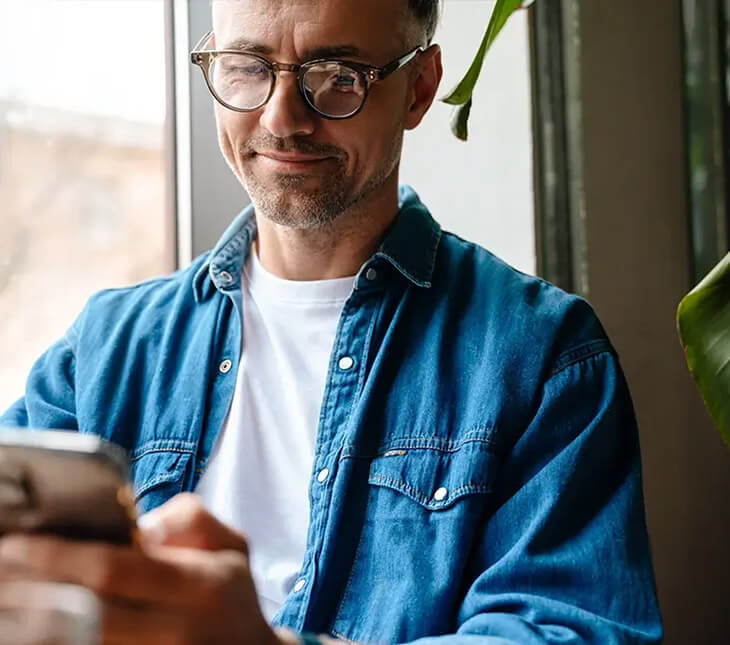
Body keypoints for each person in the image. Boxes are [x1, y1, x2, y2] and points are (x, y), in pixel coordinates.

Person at [0, 0, 663, 643]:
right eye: (245, 67)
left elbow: (565, 629)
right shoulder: (104, 348)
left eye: (337, 76)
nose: (281, 118)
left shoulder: (544, 357)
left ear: (419, 88)